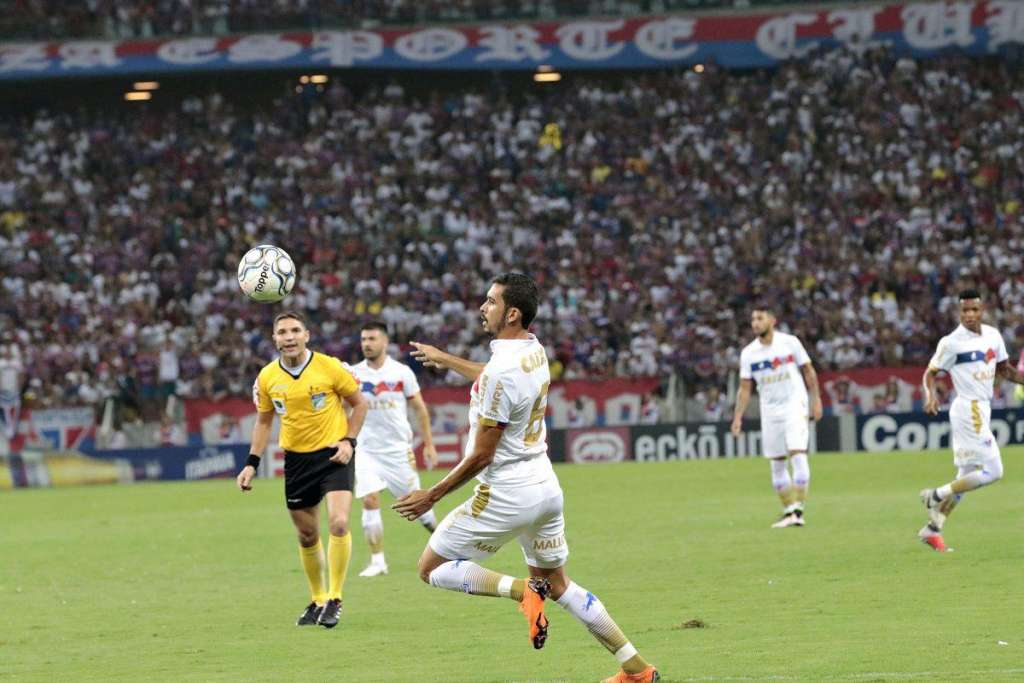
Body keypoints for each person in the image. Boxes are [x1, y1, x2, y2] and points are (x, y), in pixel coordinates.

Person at [393, 273, 659, 683]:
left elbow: (483, 454)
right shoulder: (533, 350)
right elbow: (493, 375)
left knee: (432, 568)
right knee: (560, 585)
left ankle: (521, 591)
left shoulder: (501, 372)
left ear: (512, 313)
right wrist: (447, 360)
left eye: (491, 301)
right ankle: (637, 670)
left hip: (507, 493)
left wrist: (433, 494)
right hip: (545, 487)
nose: (483, 307)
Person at [235, 311, 368, 628]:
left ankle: (335, 598)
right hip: (296, 461)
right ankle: (317, 599)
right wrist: (251, 463)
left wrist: (349, 441)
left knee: (338, 522)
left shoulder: (329, 367)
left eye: (295, 330)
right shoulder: (267, 378)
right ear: (275, 339)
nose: (290, 336)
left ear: (307, 335)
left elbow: (360, 404)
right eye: (283, 332)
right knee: (307, 535)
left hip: (334, 453)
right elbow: (264, 421)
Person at [918, 290, 1024, 552]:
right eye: (964, 310)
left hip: (982, 408)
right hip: (968, 408)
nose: (969, 315)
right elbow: (930, 373)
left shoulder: (992, 336)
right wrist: (930, 395)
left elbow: (1004, 370)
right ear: (959, 312)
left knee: (966, 476)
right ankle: (935, 494)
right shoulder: (951, 342)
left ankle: (932, 529)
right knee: (993, 471)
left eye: (974, 310)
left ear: (982, 309)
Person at [346, 321, 439, 578]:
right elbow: (344, 407)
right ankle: (378, 561)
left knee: (419, 507)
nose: (367, 343)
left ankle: (446, 547)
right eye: (364, 339)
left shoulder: (402, 373)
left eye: (372, 338)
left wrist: (429, 444)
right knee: (369, 498)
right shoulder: (353, 374)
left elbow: (419, 408)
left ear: (385, 342)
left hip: (398, 450)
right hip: (365, 449)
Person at [731, 305, 823, 528]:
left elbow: (808, 371)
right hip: (769, 409)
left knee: (797, 453)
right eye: (753, 319)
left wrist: (816, 399)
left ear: (772, 320)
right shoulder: (748, 353)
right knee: (777, 463)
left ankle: (799, 510)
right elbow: (745, 388)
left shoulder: (789, 343)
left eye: (760, 318)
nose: (755, 323)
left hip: (794, 404)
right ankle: (789, 510)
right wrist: (737, 417)